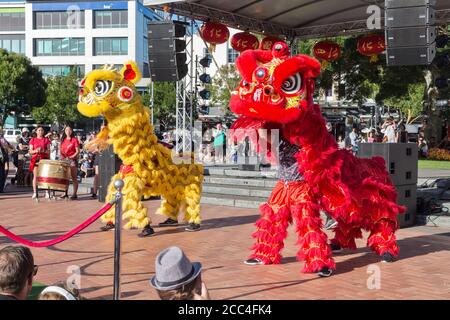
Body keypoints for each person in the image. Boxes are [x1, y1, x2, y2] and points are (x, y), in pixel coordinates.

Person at [29, 126, 51, 199]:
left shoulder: (46, 140)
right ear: (36, 131)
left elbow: (49, 151)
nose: (40, 132)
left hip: (44, 159)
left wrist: (42, 150)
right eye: (39, 130)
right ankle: (35, 192)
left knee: (45, 176)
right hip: (36, 159)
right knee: (35, 176)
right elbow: (30, 151)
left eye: (42, 130)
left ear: (43, 132)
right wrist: (35, 151)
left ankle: (47, 192)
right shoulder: (33, 140)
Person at [60, 125, 80, 200]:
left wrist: (71, 157)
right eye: (66, 130)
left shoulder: (74, 140)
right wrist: (62, 158)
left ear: (71, 131)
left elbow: (78, 151)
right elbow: (61, 151)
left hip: (72, 160)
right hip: (64, 160)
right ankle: (65, 193)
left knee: (74, 177)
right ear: (65, 131)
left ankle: (74, 194)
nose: (68, 131)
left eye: (69, 130)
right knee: (65, 177)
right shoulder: (63, 140)